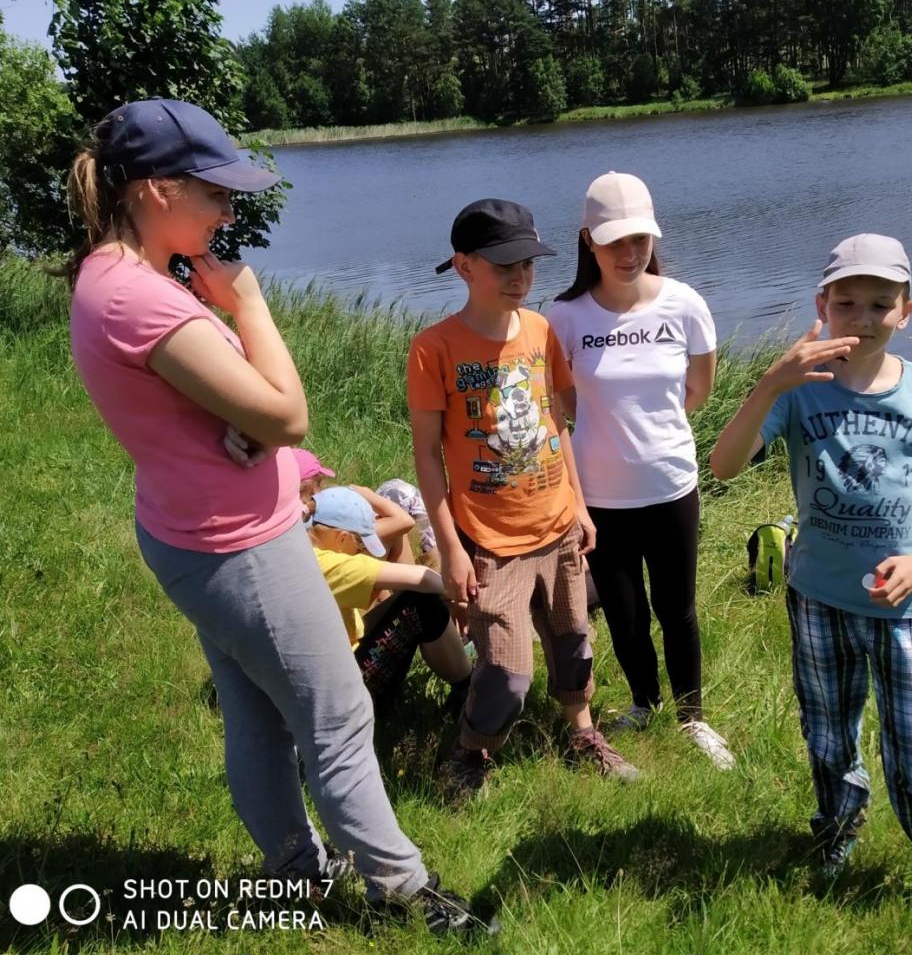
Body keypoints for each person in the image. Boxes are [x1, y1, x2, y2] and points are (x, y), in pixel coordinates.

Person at [62, 98, 489, 936]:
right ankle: (402, 892)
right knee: (336, 715)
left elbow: (216, 410)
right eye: (215, 194)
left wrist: (252, 430)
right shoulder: (144, 300)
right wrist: (248, 301)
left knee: (256, 711)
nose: (228, 212)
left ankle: (298, 870)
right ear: (154, 191)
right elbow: (288, 413)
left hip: (190, 528)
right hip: (238, 548)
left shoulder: (110, 278)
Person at [709, 234, 912, 931]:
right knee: (828, 736)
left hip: (904, 607)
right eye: (846, 302)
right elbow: (725, 466)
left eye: (879, 304)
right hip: (818, 601)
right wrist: (773, 380)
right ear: (821, 306)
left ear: (907, 311)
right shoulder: (801, 393)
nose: (861, 317)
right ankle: (838, 831)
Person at [408, 198, 639, 800]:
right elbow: (427, 457)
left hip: (558, 525)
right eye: (505, 265)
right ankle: (470, 754)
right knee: (509, 673)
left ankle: (583, 734)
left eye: (529, 265)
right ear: (464, 266)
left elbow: (557, 423)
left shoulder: (539, 330)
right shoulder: (434, 349)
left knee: (572, 641)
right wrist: (451, 549)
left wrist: (581, 507)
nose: (520, 278)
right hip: (490, 541)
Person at [548, 171, 734, 769]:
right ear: (587, 240)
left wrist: (648, 432)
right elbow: (565, 405)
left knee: (676, 608)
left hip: (671, 484)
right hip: (601, 494)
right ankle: (643, 702)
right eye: (614, 241)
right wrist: (609, 431)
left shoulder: (685, 302)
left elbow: (699, 389)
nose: (629, 254)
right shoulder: (565, 316)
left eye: (640, 240)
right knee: (625, 614)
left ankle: (691, 716)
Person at [307, 486, 472, 706]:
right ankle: (468, 689)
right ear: (341, 539)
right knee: (423, 603)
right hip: (339, 693)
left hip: (317, 678)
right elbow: (422, 578)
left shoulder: (303, 550)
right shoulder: (331, 565)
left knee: (415, 598)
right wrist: (463, 596)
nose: (362, 553)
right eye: (359, 546)